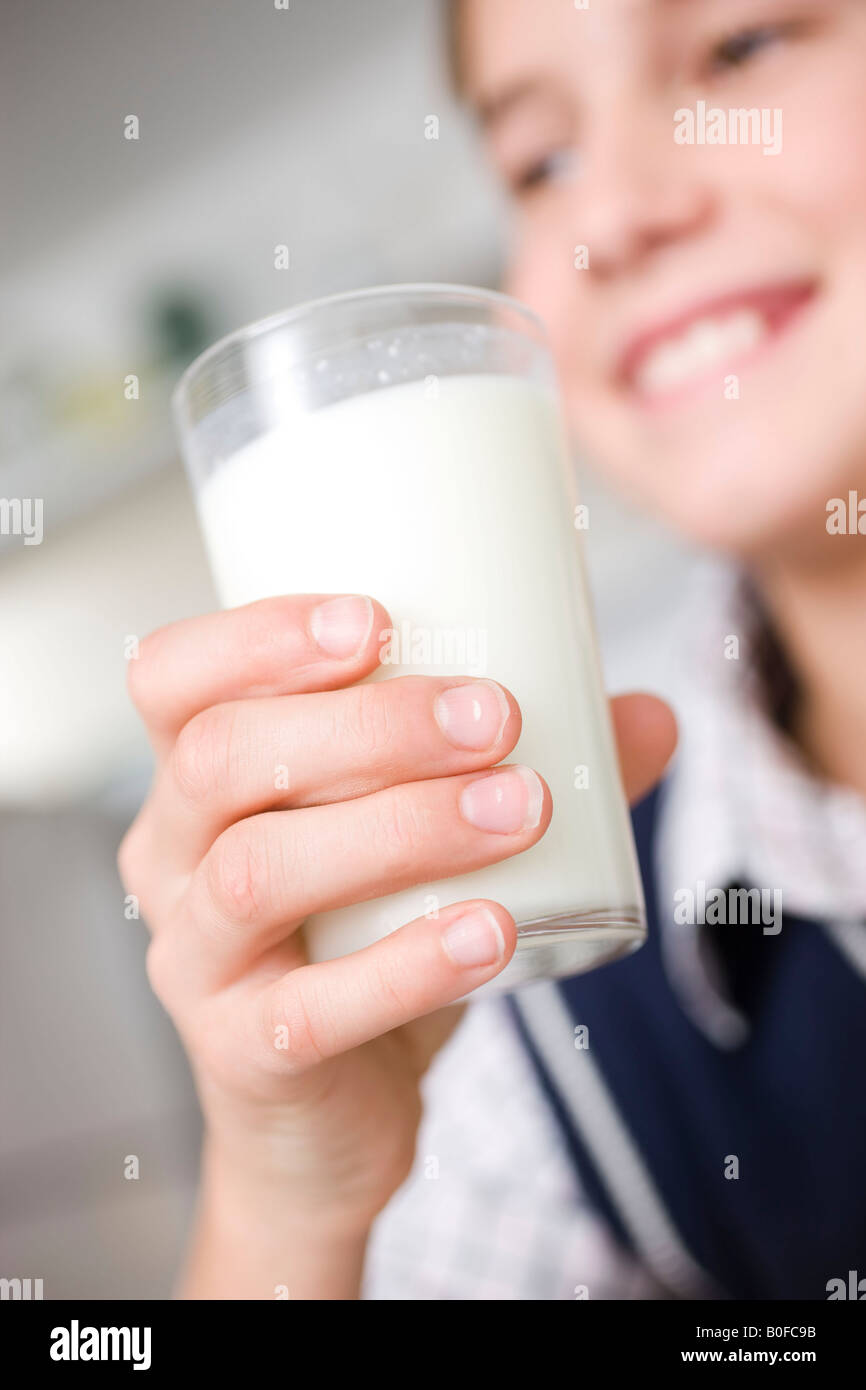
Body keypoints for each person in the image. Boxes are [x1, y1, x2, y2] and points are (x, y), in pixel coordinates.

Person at [119, 0, 866, 1299]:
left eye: (739, 51)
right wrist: (286, 1207)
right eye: (539, 162)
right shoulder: (536, 1028)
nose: (613, 216)